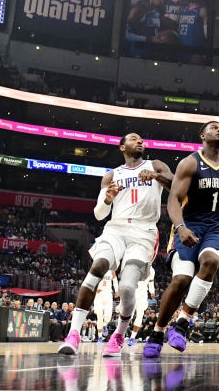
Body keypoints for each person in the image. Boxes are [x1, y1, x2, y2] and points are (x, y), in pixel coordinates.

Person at [57, 133, 172, 357]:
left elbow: (177, 185)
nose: (140, 142)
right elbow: (99, 214)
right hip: (116, 229)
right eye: (133, 139)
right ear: (122, 147)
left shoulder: (155, 165)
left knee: (128, 287)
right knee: (98, 266)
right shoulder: (112, 175)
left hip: (143, 232)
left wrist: (157, 177)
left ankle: (119, 335)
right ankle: (73, 333)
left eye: (142, 140)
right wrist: (108, 199)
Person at [142, 121, 219, 358]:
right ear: (202, 136)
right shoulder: (190, 162)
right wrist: (180, 227)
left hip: (217, 227)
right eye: (213, 127)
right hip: (189, 225)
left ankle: (183, 322)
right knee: (181, 280)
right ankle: (157, 332)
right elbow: (174, 199)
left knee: (210, 261)